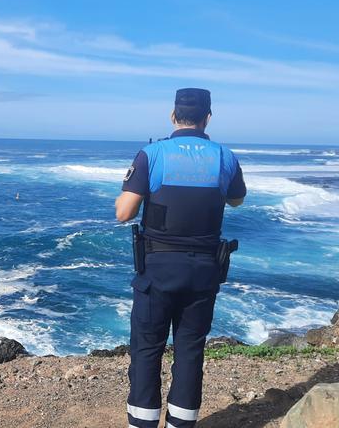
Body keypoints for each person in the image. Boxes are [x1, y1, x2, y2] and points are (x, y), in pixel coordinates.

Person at [115, 88, 246, 428]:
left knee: (147, 349)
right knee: (189, 350)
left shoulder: (152, 154)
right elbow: (236, 200)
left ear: (173, 116)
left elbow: (124, 213)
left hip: (157, 270)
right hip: (204, 271)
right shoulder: (225, 157)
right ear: (208, 119)